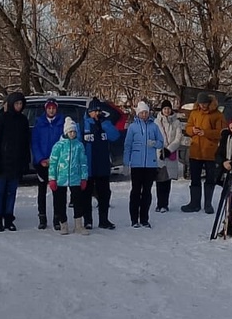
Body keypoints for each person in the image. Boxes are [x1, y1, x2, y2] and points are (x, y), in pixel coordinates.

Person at [0, 91, 31, 232]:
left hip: (16, 162)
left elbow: (26, 143)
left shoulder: (23, 120)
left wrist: (26, 161)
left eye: (21, 104)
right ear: (11, 104)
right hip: (2, 161)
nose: (19, 106)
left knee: (12, 192)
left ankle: (8, 218)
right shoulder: (1, 119)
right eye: (16, 103)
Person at [181, 92, 225, 213]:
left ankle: (208, 204)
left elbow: (221, 133)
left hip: (210, 152)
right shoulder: (194, 113)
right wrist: (192, 130)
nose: (203, 105)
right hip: (195, 152)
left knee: (210, 179)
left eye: (205, 103)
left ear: (209, 103)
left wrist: (205, 132)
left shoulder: (217, 115)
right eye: (201, 103)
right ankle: (194, 203)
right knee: (195, 178)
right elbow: (188, 127)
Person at [81, 99, 121, 230]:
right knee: (86, 194)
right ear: (89, 112)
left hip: (102, 166)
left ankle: (104, 220)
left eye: (98, 111)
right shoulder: (83, 124)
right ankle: (88, 220)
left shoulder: (105, 123)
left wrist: (105, 125)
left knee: (104, 193)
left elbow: (115, 136)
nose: (97, 113)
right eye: (94, 111)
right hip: (89, 166)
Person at [124, 100, 164, 228]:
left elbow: (161, 142)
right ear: (138, 114)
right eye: (142, 113)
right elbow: (128, 145)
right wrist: (126, 162)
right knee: (136, 191)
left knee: (147, 192)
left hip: (150, 165)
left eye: (146, 112)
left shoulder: (154, 126)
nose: (144, 115)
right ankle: (134, 219)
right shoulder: (133, 127)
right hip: (136, 165)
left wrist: (154, 144)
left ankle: (144, 218)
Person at [48, 117, 89, 233]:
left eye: (74, 131)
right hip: (61, 178)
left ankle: (78, 224)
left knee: (78, 201)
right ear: (66, 132)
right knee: (60, 201)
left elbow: (83, 163)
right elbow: (53, 163)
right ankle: (63, 223)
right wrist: (52, 178)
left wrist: (83, 177)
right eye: (70, 131)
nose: (72, 134)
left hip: (75, 178)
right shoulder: (58, 146)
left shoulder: (79, 146)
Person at [30, 98, 66, 229]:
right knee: (41, 191)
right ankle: (42, 217)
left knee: (58, 191)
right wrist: (41, 159)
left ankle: (58, 218)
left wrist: (55, 159)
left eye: (53, 108)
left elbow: (63, 143)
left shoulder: (61, 123)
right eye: (49, 108)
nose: (51, 110)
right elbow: (35, 143)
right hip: (42, 163)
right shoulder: (39, 124)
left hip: (56, 162)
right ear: (45, 109)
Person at [154, 100, 184, 213]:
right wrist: (160, 149)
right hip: (159, 153)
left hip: (170, 153)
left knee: (167, 180)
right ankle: (159, 203)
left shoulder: (176, 122)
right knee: (159, 179)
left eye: (168, 108)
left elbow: (178, 138)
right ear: (162, 110)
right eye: (165, 109)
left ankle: (165, 204)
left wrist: (169, 149)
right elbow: (154, 137)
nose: (167, 111)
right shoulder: (156, 122)